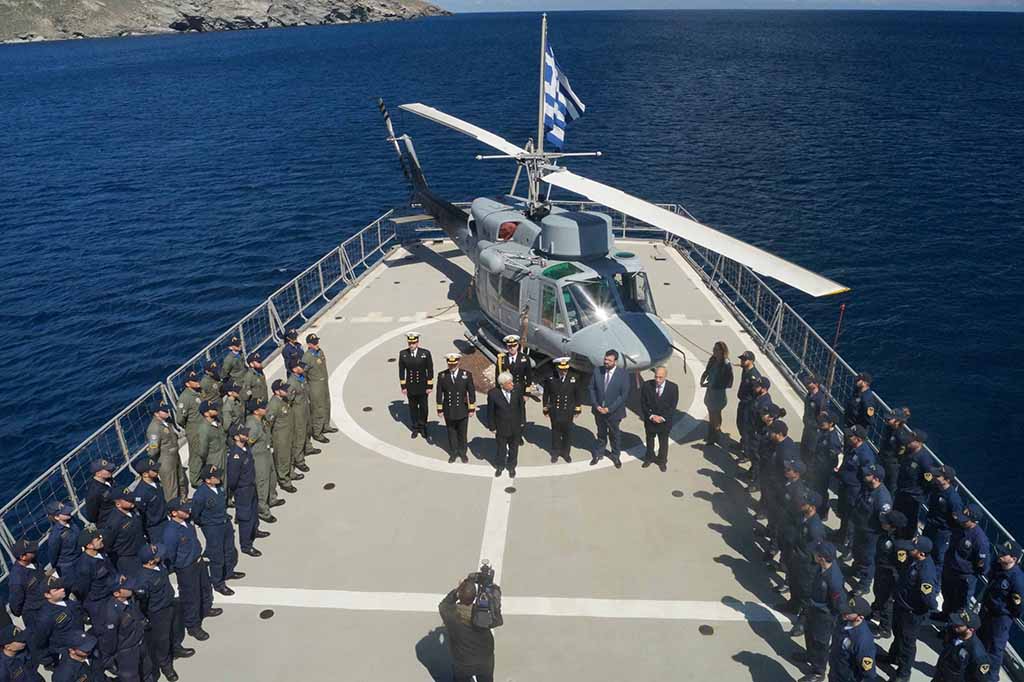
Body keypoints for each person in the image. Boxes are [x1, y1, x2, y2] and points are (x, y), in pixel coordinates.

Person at [163, 497, 220, 643]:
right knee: (191, 597)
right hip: (186, 568)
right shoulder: (171, 532)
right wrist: (179, 566)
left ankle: (205, 609)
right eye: (183, 509)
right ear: (174, 513)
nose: (188, 510)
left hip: (198, 562)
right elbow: (170, 554)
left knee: (205, 588)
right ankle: (193, 625)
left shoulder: (187, 524)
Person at [881, 535, 937, 682]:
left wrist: (916, 607)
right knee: (897, 632)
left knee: (907, 643)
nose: (909, 550)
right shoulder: (914, 560)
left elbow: (929, 601)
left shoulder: (925, 572)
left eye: (912, 549)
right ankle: (893, 656)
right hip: (901, 605)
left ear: (922, 553)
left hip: (912, 612)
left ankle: (903, 673)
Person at [136, 543, 192, 682]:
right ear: (150, 561)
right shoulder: (143, 579)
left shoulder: (159, 566)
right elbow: (141, 602)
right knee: (162, 641)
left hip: (170, 604)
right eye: (156, 556)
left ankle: (176, 648)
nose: (160, 556)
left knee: (175, 629)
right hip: (158, 612)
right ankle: (165, 665)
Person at [794, 540, 845, 682]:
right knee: (809, 634)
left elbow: (838, 603)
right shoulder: (822, 567)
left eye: (816, 554)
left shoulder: (833, 580)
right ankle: (810, 656)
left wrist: (826, 614)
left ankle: (818, 671)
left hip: (823, 616)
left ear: (822, 558)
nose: (814, 554)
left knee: (820, 643)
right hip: (813, 609)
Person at [192, 464, 242, 595]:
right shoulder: (200, 494)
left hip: (224, 523)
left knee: (229, 550)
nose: (219, 477)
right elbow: (196, 514)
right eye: (215, 476)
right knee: (217, 556)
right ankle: (218, 583)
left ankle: (228, 572)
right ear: (208, 480)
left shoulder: (219, 487)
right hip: (213, 527)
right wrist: (206, 524)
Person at [979, 540, 1024, 682]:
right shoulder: (997, 566)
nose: (1000, 555)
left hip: (1000, 618)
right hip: (987, 610)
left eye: (1004, 554)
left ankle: (991, 678)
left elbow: (1018, 607)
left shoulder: (1017, 580)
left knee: (994, 650)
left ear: (1013, 559)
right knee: (980, 639)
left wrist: (1003, 610)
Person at [438, 578, 496, 682]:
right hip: (485, 660)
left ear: (460, 595)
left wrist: (457, 590)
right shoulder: (484, 613)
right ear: (475, 596)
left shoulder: (451, 616)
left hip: (463, 663)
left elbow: (444, 604)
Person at [97, 574, 152, 682]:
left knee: (147, 670)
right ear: (116, 593)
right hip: (127, 651)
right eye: (126, 587)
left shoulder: (130, 600)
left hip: (140, 643)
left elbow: (137, 615)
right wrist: (109, 660)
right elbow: (109, 640)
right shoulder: (111, 613)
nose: (130, 588)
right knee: (130, 678)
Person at [939, 503, 990, 619]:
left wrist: (969, 571)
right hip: (950, 567)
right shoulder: (959, 527)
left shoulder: (979, 540)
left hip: (964, 576)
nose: (961, 521)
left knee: (960, 604)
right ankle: (945, 616)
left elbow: (983, 564)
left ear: (974, 521)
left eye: (965, 520)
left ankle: (954, 626)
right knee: (947, 594)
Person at [850, 464, 893, 596]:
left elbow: (885, 522)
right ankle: (856, 570)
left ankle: (864, 584)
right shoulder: (867, 487)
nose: (865, 475)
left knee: (867, 558)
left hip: (871, 533)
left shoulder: (882, 498)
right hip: (860, 526)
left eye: (868, 474)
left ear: (876, 479)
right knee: (856, 550)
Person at [868, 510, 909, 640]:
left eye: (886, 522)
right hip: (881, 569)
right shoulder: (886, 534)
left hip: (889, 575)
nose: (883, 523)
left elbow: (901, 565)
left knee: (886, 601)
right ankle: (876, 612)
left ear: (893, 526)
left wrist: (894, 579)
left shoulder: (899, 544)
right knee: (878, 592)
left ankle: (885, 628)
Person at [834, 426, 876, 552]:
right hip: (845, 486)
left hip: (854, 491)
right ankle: (841, 535)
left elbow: (868, 477)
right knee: (843, 514)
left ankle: (850, 547)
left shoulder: (865, 455)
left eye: (851, 436)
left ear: (858, 439)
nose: (848, 437)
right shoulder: (852, 447)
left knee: (851, 520)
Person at [31, 575, 84, 668]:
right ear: (47, 595)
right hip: (69, 653)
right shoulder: (45, 617)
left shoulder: (67, 601)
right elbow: (40, 641)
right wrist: (49, 660)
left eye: (61, 586)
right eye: (57, 590)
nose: (62, 589)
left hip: (82, 641)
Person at [588, 349, 630, 468]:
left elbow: (623, 395)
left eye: (609, 360)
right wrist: (596, 405)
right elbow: (591, 388)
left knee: (614, 435)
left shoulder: (623, 374)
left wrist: (609, 409)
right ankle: (599, 453)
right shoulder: (597, 371)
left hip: (614, 413)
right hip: (598, 411)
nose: (606, 362)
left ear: (615, 362)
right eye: (605, 359)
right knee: (601, 433)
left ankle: (615, 455)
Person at [923, 465, 963, 585]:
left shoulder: (953, 499)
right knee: (924, 549)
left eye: (938, 476)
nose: (935, 477)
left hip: (942, 533)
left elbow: (957, 521)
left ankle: (933, 585)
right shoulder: (936, 488)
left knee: (938, 559)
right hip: (930, 525)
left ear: (947, 480)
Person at [227, 425, 264, 557]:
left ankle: (254, 531)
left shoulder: (245, 448)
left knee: (253, 512)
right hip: (243, 490)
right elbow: (232, 479)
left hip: (251, 486)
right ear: (236, 437)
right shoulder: (235, 456)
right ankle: (246, 545)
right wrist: (238, 490)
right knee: (245, 517)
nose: (246, 435)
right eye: (243, 433)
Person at [893, 429, 936, 539]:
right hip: (902, 490)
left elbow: (929, 481)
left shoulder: (924, 460)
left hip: (913, 496)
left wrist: (920, 494)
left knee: (909, 521)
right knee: (896, 514)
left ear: (919, 443)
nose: (908, 442)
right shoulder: (908, 451)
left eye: (912, 440)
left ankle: (907, 539)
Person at [542, 357, 584, 464]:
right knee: (555, 432)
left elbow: (578, 394)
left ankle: (566, 453)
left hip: (568, 410)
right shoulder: (550, 377)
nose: (564, 371)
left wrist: (577, 408)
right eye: (561, 369)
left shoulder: (574, 378)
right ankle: (555, 452)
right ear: (557, 368)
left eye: (565, 369)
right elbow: (546, 394)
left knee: (567, 433)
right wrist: (545, 408)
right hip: (555, 410)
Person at [436, 353, 476, 463]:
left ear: (458, 363)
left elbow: (471, 392)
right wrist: (439, 409)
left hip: (462, 409)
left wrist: (471, 408)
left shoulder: (466, 375)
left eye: (454, 364)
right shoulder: (442, 376)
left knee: (462, 433)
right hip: (448, 409)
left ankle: (463, 453)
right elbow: (439, 393)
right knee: (451, 433)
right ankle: (453, 452)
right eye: (450, 364)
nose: (452, 366)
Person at [827, 595, 877, 682]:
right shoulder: (843, 620)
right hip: (835, 670)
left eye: (849, 612)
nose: (844, 612)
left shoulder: (863, 641)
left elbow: (869, 674)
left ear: (860, 617)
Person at [246, 399, 281, 523]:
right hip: (259, 456)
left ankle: (271, 499)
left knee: (272, 477)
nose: (265, 409)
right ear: (256, 411)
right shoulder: (252, 426)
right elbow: (248, 444)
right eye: (262, 407)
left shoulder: (261, 420)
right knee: (262, 483)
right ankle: (263, 511)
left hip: (266, 453)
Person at [72, 528, 116, 625]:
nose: (101, 539)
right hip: (100, 600)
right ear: (89, 546)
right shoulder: (84, 566)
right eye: (98, 539)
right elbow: (83, 589)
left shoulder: (101, 552)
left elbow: (111, 569)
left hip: (112, 592)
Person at [145, 401, 186, 502]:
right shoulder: (154, 428)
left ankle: (183, 501)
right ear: (156, 413)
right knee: (171, 487)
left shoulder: (167, 422)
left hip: (175, 456)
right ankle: (174, 507)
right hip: (165, 460)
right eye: (163, 410)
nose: (167, 411)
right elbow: (153, 449)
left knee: (181, 480)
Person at [933, 610, 990, 682]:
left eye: (959, 624)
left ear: (971, 629)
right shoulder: (954, 632)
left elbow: (980, 679)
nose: (955, 624)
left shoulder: (978, 654)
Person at [640, 366, 678, 472]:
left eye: (660, 377)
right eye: (656, 377)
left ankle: (662, 461)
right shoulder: (647, 385)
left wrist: (662, 418)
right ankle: (649, 457)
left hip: (664, 422)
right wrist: (651, 416)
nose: (657, 380)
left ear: (665, 376)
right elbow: (643, 403)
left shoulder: (673, 388)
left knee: (663, 443)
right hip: (650, 421)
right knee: (649, 440)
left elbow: (672, 406)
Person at [486, 372, 523, 479]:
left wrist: (522, 422)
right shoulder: (493, 394)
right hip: (501, 427)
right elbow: (490, 412)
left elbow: (521, 407)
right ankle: (500, 466)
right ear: (502, 385)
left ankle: (511, 467)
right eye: (509, 383)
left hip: (515, 426)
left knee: (514, 449)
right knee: (501, 449)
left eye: (512, 381)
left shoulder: (517, 389)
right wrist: (492, 427)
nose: (512, 384)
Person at [495, 335, 532, 439]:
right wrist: (498, 392)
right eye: (509, 346)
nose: (512, 348)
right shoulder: (502, 359)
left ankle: (518, 435)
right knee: (507, 413)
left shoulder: (524, 358)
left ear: (517, 346)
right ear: (507, 346)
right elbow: (498, 377)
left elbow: (529, 377)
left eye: (514, 345)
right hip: (507, 390)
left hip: (520, 391)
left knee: (519, 413)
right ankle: (508, 433)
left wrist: (527, 393)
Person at [10, 540, 51, 634]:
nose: (35, 551)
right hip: (36, 615)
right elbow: (15, 605)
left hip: (48, 605)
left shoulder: (33, 561)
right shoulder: (17, 579)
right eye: (31, 551)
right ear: (23, 557)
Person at [102, 487, 145, 576]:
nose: (131, 500)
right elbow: (108, 543)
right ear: (118, 504)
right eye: (127, 500)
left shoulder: (134, 510)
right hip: (128, 559)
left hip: (141, 550)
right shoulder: (114, 522)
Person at [399, 332, 434, 440]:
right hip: (411, 386)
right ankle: (415, 427)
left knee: (424, 408)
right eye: (410, 343)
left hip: (422, 386)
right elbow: (401, 371)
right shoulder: (403, 354)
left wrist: (430, 386)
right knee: (413, 408)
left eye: (413, 343)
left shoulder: (425, 353)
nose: (411, 345)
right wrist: (403, 387)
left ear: (417, 342)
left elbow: (430, 370)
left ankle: (423, 426)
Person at [808, 412, 841, 520]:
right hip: (818, 465)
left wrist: (826, 469)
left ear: (831, 424)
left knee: (821, 490)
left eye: (824, 422)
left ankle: (823, 511)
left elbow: (834, 459)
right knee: (817, 487)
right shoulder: (824, 432)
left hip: (824, 470)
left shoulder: (833, 439)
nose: (821, 423)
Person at [700, 341, 733, 447]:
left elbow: (729, 382)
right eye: (714, 349)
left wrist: (712, 385)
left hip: (718, 394)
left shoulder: (726, 365)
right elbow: (707, 370)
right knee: (712, 414)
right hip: (710, 392)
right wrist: (703, 378)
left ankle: (714, 435)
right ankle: (712, 434)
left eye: (716, 349)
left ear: (722, 351)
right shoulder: (713, 360)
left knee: (716, 414)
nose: (714, 351)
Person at [267, 379, 298, 494]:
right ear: (276, 392)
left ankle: (290, 473)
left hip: (288, 433)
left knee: (290, 454)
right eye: (283, 389)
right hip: (280, 437)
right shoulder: (273, 405)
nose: (286, 390)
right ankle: (284, 481)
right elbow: (268, 425)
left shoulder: (284, 399)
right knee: (282, 459)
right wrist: (269, 442)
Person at [303, 333, 333, 443]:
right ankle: (317, 432)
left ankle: (325, 425)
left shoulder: (320, 352)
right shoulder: (307, 357)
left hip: (323, 383)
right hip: (315, 385)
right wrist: (307, 389)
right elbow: (303, 373)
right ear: (309, 345)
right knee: (318, 409)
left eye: (317, 342)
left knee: (326, 404)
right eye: (314, 343)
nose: (317, 344)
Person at [190, 399, 227, 488]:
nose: (215, 409)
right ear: (206, 413)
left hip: (223, 455)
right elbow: (202, 451)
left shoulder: (217, 422)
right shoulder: (204, 429)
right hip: (214, 460)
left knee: (225, 481)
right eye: (212, 409)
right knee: (219, 484)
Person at [44, 501, 80, 586]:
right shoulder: (55, 535)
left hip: (79, 557)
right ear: (56, 517)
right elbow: (53, 555)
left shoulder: (72, 521)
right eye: (64, 512)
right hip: (69, 566)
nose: (68, 512)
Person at [288, 360, 316, 469]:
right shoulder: (292, 382)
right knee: (300, 434)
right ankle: (299, 460)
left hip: (305, 407)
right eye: (300, 366)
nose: (302, 368)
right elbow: (289, 399)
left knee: (308, 428)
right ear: (294, 369)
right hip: (298, 410)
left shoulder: (301, 377)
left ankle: (308, 448)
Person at [131, 458, 167, 545]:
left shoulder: (156, 481)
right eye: (153, 470)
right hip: (155, 528)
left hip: (165, 519)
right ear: (145, 474)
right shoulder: (140, 494)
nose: (157, 470)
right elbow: (141, 515)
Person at [877, 407, 910, 494]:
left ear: (897, 421)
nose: (886, 420)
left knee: (891, 486)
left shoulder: (901, 435)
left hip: (892, 463)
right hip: (883, 458)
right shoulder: (888, 428)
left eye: (889, 419)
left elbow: (903, 451)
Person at [734, 350, 761, 455]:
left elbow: (757, 393)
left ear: (751, 361)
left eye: (744, 360)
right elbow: (742, 366)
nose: (742, 361)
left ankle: (747, 453)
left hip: (749, 405)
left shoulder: (754, 376)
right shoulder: (745, 369)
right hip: (743, 402)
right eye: (742, 359)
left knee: (746, 428)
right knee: (740, 424)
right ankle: (743, 443)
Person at [176, 370, 204, 468]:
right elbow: (179, 419)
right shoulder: (185, 398)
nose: (197, 382)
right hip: (194, 429)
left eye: (197, 379)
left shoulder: (199, 391)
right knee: (196, 455)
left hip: (203, 426)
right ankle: (195, 476)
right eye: (194, 380)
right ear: (187, 384)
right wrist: (190, 425)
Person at [800, 375, 828, 461]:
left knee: (810, 449)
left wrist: (817, 426)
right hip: (807, 424)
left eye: (809, 383)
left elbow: (822, 415)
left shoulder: (820, 399)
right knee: (804, 445)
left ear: (816, 384)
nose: (807, 384)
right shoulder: (809, 394)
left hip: (814, 428)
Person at [82, 459, 115, 526]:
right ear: (98, 474)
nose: (111, 470)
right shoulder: (94, 492)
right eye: (107, 470)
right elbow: (91, 517)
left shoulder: (109, 479)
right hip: (108, 523)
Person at [241, 351, 269, 416]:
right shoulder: (249, 376)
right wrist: (251, 392)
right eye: (258, 362)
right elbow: (245, 394)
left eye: (260, 361)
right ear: (251, 364)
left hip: (264, 401)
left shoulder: (259, 371)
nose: (260, 363)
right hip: (257, 406)